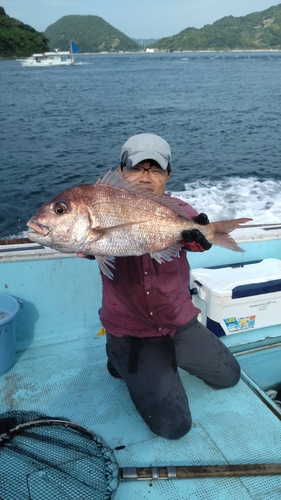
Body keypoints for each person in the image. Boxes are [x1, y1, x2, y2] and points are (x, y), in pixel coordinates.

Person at [81, 133, 241, 440]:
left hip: (176, 321)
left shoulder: (178, 209)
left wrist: (202, 236)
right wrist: (89, 241)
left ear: (167, 176)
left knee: (228, 377)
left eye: (156, 169)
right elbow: (81, 243)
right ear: (122, 171)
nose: (146, 177)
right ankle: (118, 357)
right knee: (174, 426)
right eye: (138, 168)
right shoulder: (99, 204)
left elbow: (195, 240)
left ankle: (160, 360)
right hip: (132, 331)